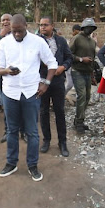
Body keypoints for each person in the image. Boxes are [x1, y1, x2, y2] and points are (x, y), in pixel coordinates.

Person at [0, 14, 57, 182]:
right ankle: (11, 163)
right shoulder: (4, 42)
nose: (17, 35)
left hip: (31, 93)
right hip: (10, 93)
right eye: (14, 31)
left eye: (20, 31)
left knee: (32, 132)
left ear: (26, 27)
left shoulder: (38, 42)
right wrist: (7, 71)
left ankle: (32, 165)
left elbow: (52, 64)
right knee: (12, 130)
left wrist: (45, 83)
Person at [37, 17, 73, 157]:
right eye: (41, 25)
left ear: (52, 26)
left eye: (46, 25)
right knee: (44, 111)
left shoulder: (61, 41)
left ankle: (62, 142)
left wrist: (63, 67)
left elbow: (69, 57)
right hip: (42, 80)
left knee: (59, 111)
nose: (43, 27)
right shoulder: (37, 42)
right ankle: (46, 140)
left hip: (58, 81)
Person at [69, 18, 98, 134]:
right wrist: (81, 59)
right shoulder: (76, 39)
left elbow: (92, 59)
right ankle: (79, 122)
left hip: (87, 72)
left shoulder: (92, 42)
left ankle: (79, 119)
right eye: (88, 27)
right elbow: (68, 54)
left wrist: (92, 75)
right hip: (77, 71)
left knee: (87, 97)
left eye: (92, 27)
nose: (90, 29)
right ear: (84, 27)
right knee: (81, 95)